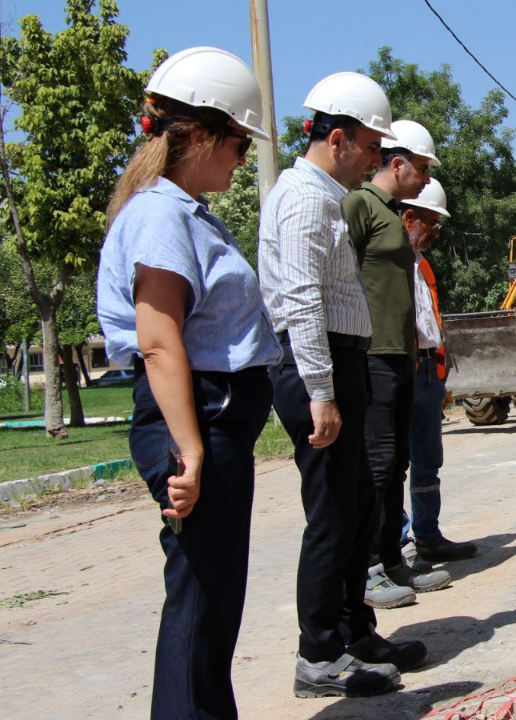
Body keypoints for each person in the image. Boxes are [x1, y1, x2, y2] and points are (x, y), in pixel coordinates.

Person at [97, 47, 282, 720]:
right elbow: (157, 338)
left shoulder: (183, 210)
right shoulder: (161, 216)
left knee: (211, 598)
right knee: (201, 596)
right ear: (201, 136)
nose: (241, 157)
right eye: (238, 141)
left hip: (209, 414)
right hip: (196, 417)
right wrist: (192, 450)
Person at [258, 71, 422, 699]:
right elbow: (300, 301)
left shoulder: (324, 195)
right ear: (338, 139)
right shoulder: (303, 198)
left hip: (338, 360)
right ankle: (318, 654)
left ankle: (356, 633)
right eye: (372, 147)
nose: (378, 159)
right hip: (315, 365)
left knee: (356, 509)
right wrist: (321, 392)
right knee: (331, 514)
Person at [343, 119, 454, 605]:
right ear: (398, 162)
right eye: (423, 169)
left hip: (402, 357)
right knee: (377, 466)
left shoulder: (389, 214)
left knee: (397, 464)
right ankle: (367, 567)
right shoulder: (359, 207)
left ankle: (392, 560)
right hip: (372, 356)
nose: (427, 179)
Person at [399, 179, 480, 566]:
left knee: (427, 458)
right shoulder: (385, 261)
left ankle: (427, 535)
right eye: (433, 224)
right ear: (410, 217)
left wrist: (440, 375)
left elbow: (431, 323)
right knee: (394, 461)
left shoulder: (422, 265)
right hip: (403, 371)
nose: (436, 233)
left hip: (429, 370)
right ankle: (399, 544)